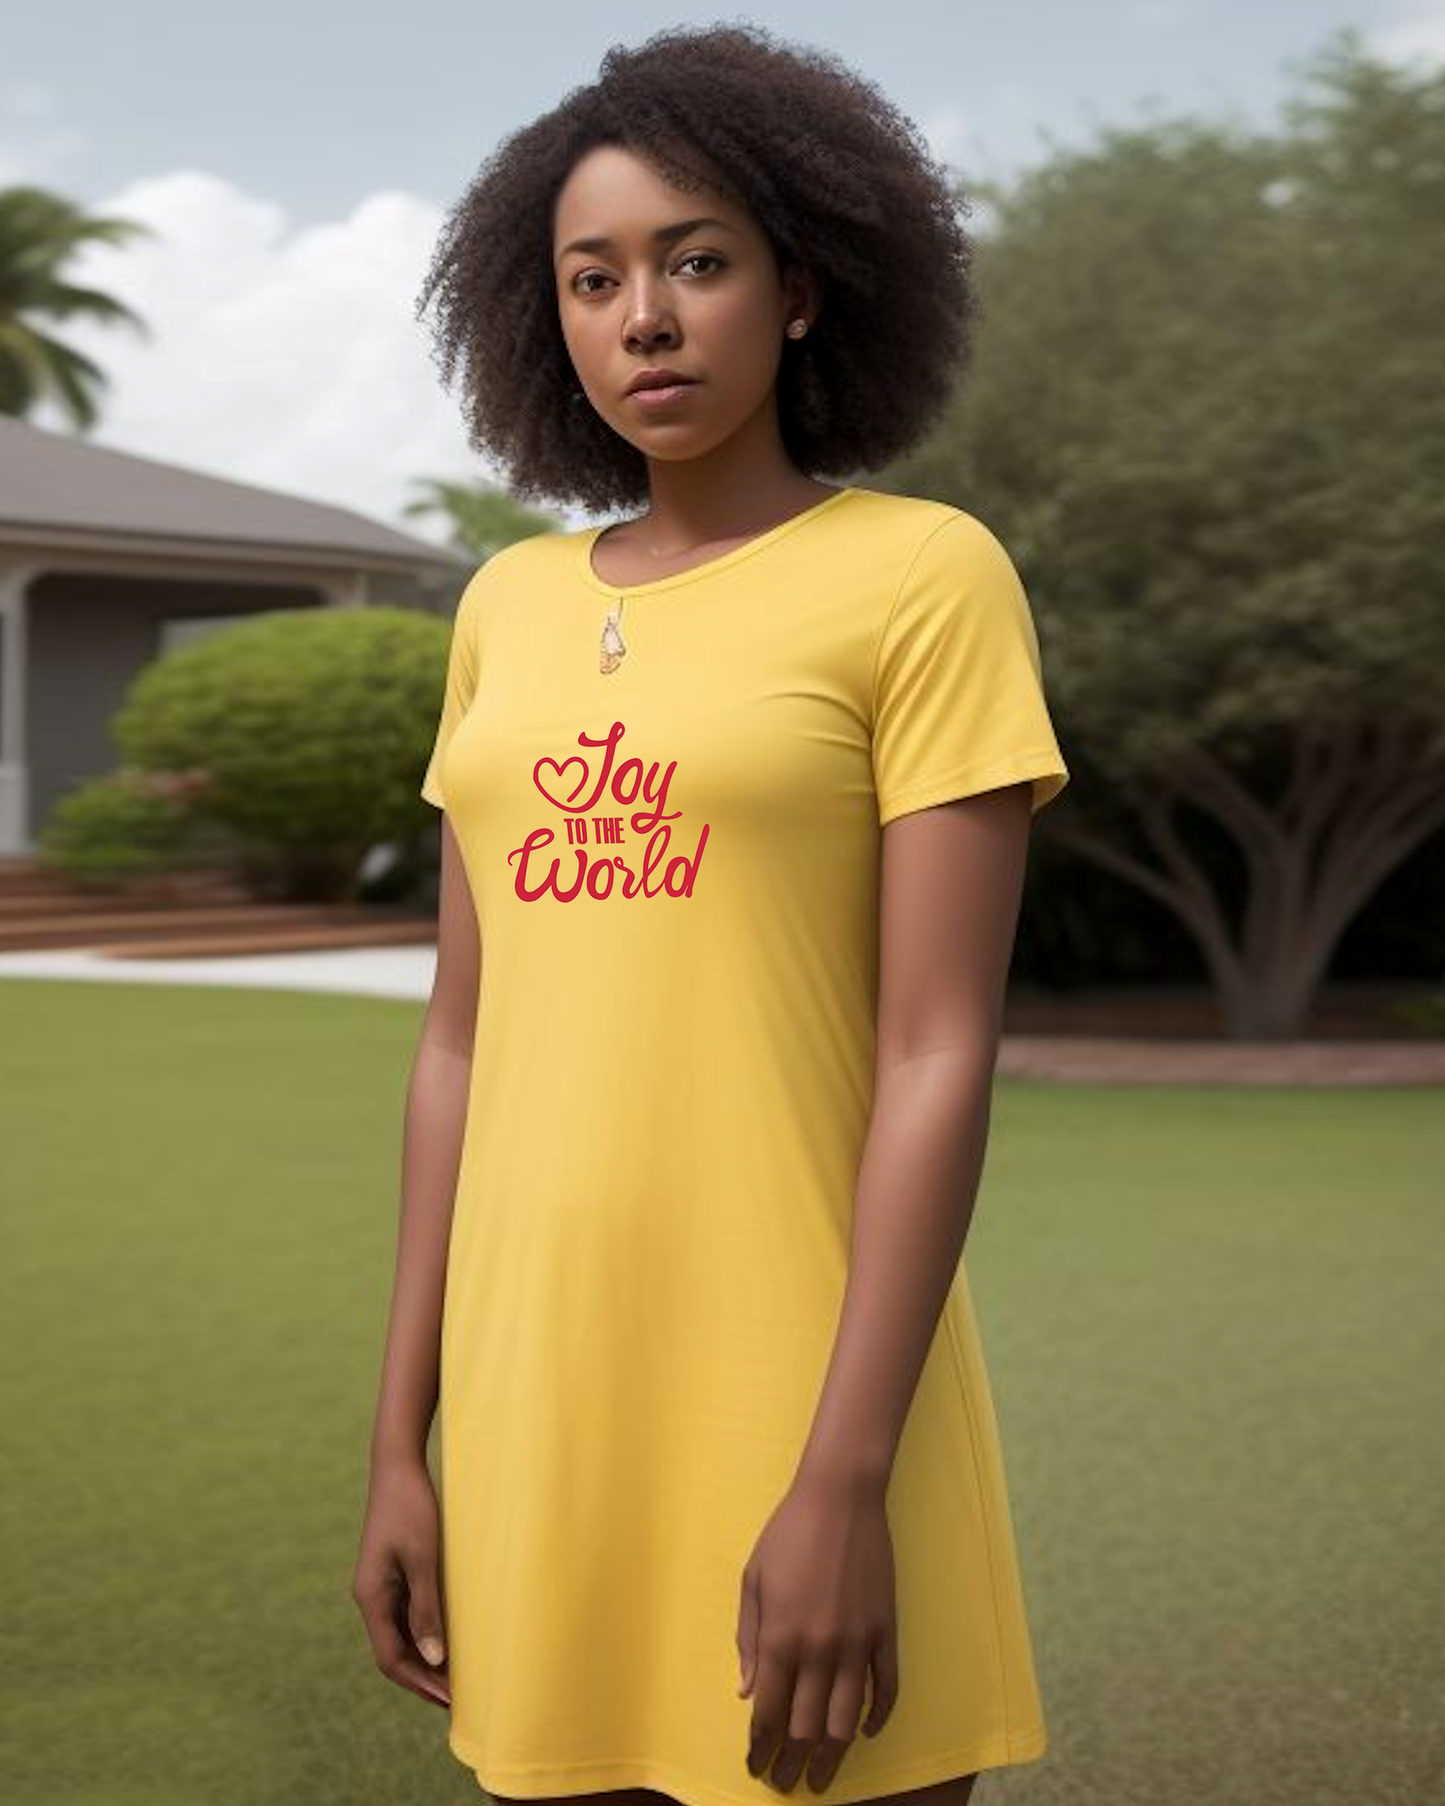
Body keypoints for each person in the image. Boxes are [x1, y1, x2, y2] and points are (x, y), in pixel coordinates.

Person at [353, 22, 1070, 1806]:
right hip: (535, 1393)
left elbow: (936, 1045)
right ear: (548, 322)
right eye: (593, 280)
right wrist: (398, 1438)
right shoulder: (505, 609)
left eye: (696, 262)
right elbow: (458, 1045)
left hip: (812, 1394)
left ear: (802, 289)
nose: (646, 319)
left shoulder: (922, 576)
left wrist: (844, 1478)